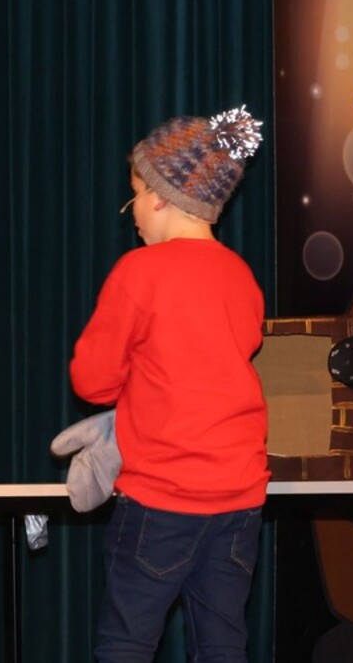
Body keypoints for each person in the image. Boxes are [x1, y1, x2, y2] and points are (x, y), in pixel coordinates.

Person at [69, 108, 269, 663]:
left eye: (134, 195)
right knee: (223, 644)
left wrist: (132, 387)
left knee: (126, 645)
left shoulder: (140, 270)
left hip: (161, 498)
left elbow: (92, 381)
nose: (132, 211)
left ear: (159, 198)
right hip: (240, 501)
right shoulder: (240, 275)